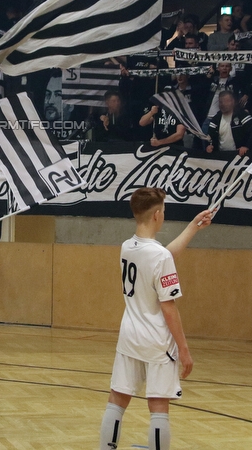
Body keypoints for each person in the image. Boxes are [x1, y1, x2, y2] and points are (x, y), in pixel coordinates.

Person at [98, 188, 213, 450]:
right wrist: (184, 350)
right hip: (157, 339)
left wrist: (193, 228)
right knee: (158, 402)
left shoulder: (128, 246)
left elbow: (162, 257)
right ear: (158, 215)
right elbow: (169, 307)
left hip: (129, 334)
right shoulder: (158, 256)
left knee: (118, 396)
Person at [206, 91, 252, 155]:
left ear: (233, 101)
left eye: (226, 101)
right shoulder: (216, 119)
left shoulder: (242, 115)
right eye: (221, 102)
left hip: (240, 154)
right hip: (221, 155)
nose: (223, 104)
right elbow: (210, 135)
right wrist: (209, 146)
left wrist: (247, 146)